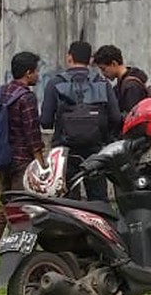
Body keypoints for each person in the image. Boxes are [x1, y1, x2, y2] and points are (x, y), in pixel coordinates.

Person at [0, 51, 46, 260]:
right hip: (21, 160)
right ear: (28, 73)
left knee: (7, 202)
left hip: (1, 157)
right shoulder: (26, 98)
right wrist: (40, 163)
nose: (38, 76)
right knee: (19, 204)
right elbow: (32, 133)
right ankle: (16, 248)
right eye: (36, 71)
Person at [39, 40, 121, 200]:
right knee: (98, 199)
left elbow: (46, 121)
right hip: (95, 151)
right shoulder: (102, 83)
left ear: (69, 58)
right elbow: (116, 118)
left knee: (69, 199)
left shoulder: (55, 83)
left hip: (65, 152)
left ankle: (73, 225)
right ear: (90, 60)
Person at [93, 44, 151, 113]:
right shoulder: (122, 84)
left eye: (103, 69)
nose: (103, 74)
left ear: (114, 63)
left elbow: (132, 117)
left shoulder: (131, 87)